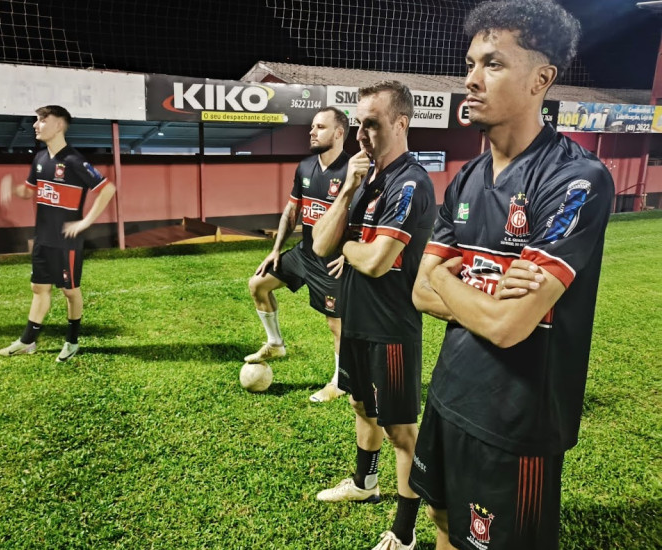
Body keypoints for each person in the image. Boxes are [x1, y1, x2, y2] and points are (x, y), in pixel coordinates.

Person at [409, 2, 614, 549]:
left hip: (516, 421)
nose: (470, 80)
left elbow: (506, 327)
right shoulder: (466, 178)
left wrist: (447, 277)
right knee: (444, 525)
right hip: (450, 392)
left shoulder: (576, 179)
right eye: (470, 62)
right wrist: (483, 292)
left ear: (541, 78)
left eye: (493, 64)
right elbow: (417, 292)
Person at [312, 81, 436, 550]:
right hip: (356, 317)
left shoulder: (410, 181)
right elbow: (319, 245)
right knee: (360, 405)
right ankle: (365, 483)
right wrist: (347, 190)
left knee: (402, 430)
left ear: (401, 124)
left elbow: (378, 259)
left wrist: (350, 246)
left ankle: (403, 534)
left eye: (373, 124)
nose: (362, 133)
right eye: (359, 123)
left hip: (392, 327)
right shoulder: (366, 180)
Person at [245, 107, 350, 403]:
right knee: (258, 285)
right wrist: (276, 249)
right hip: (304, 253)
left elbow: (367, 218)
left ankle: (340, 381)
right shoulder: (305, 167)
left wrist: (351, 254)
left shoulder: (353, 171)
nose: (311, 131)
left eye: (320, 127)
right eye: (312, 126)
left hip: (333, 262)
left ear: (339, 132)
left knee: (336, 324)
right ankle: (276, 344)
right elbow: (293, 210)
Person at [0, 105, 116, 362]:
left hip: (67, 241)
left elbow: (107, 189)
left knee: (70, 291)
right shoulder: (39, 158)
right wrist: (13, 189)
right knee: (38, 287)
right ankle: (28, 341)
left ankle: (72, 341)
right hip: (43, 237)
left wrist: (85, 222)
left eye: (41, 120)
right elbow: (30, 191)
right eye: (36, 120)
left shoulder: (73, 160)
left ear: (58, 125)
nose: (35, 125)